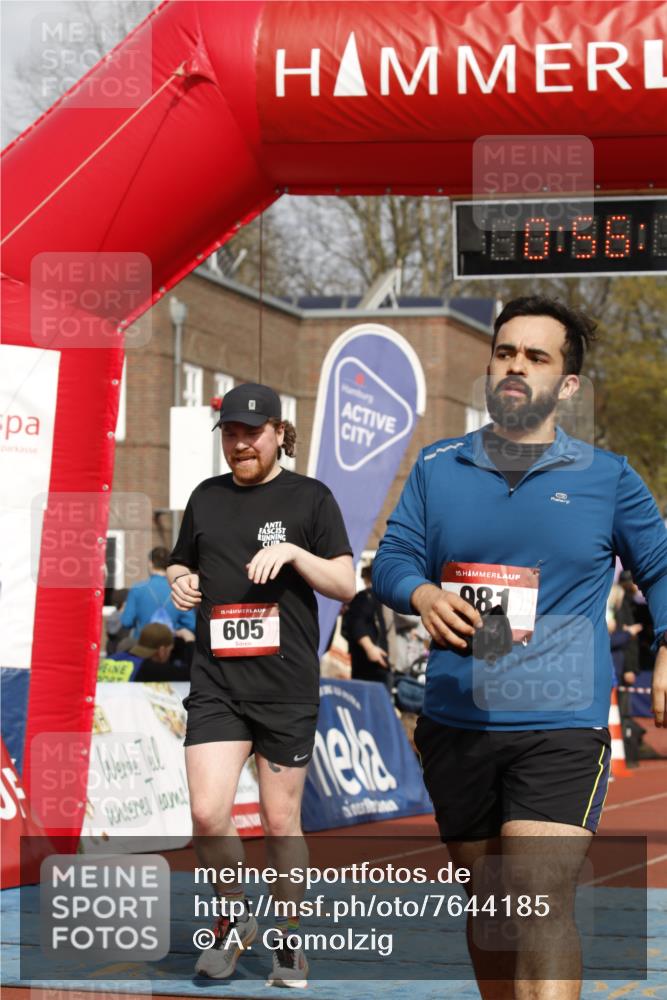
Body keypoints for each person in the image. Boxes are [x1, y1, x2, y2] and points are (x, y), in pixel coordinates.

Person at [373, 296, 667, 1000]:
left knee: (537, 896)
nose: (516, 366)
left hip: (558, 726)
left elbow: (660, 567)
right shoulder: (437, 466)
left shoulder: (606, 477)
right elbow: (391, 560)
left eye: (536, 357)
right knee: (493, 907)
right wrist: (420, 594)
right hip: (455, 722)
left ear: (566, 384)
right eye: (506, 352)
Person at [167, 382, 354, 987]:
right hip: (217, 683)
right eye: (230, 433)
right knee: (206, 812)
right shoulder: (205, 497)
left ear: (278, 432)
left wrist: (296, 554)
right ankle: (232, 921)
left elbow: (347, 584)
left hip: (284, 688)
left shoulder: (311, 498)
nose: (241, 443)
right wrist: (179, 578)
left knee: (280, 824)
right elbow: (180, 558)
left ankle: (289, 943)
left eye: (252, 432)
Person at [121, 546, 196, 638]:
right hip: (170, 646)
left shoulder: (137, 589)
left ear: (151, 564)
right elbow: (191, 624)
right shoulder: (179, 588)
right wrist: (174, 627)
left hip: (143, 646)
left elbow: (126, 622)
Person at [344, 563, 392, 689]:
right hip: (370, 665)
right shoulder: (365, 597)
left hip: (379, 663)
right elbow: (356, 623)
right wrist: (370, 649)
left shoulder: (381, 598)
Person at [98, 622, 175, 682]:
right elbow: (185, 676)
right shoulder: (152, 670)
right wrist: (187, 639)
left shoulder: (111, 659)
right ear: (162, 651)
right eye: (170, 650)